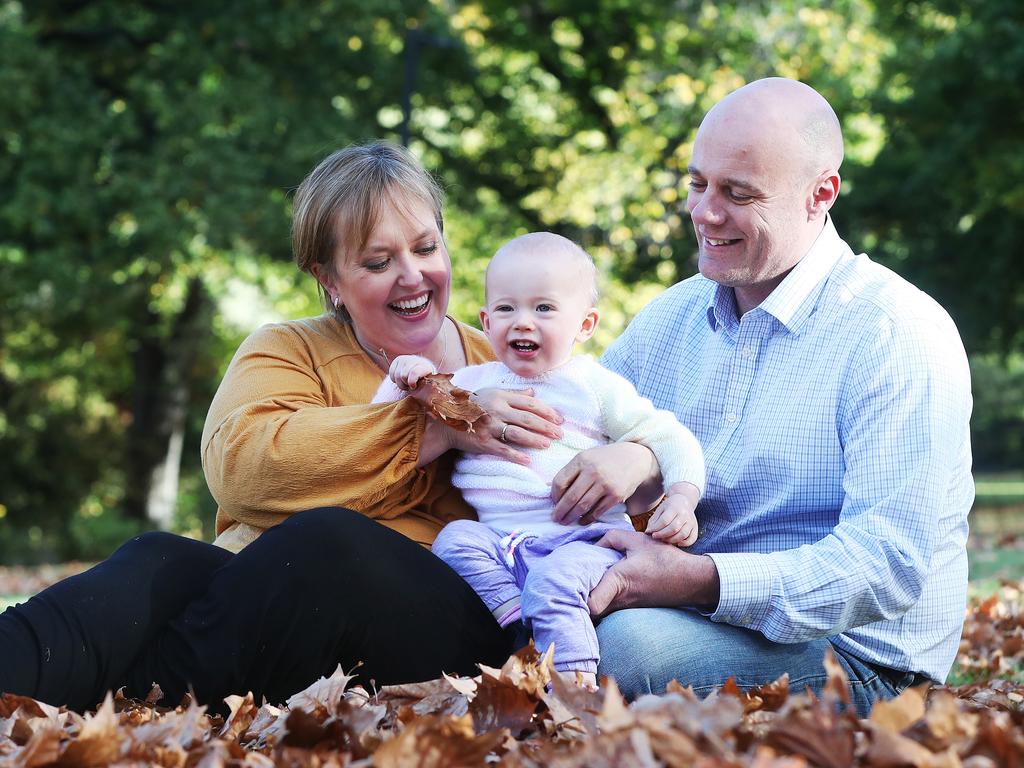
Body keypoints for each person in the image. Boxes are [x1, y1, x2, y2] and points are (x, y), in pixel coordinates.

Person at [0, 142, 660, 713]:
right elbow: (244, 465)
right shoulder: (287, 349)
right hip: (281, 606)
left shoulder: (513, 361)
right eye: (377, 263)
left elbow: (630, 429)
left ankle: (130, 701)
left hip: (485, 617)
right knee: (159, 557)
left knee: (329, 543)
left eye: (427, 248)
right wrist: (437, 427)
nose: (414, 276)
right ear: (330, 279)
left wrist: (638, 460)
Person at [585, 77, 974, 717]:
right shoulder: (672, 318)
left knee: (630, 650)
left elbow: (887, 564)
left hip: (857, 659)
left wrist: (695, 582)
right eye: (697, 184)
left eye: (738, 194)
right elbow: (581, 426)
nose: (706, 213)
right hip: (691, 611)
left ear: (821, 193)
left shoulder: (896, 331)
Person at [373, 232, 705, 686]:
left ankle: (574, 695)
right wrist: (404, 378)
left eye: (544, 308)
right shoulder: (474, 383)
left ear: (585, 325)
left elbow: (669, 437)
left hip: (585, 541)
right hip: (504, 544)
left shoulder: (593, 384)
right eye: (507, 309)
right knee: (454, 540)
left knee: (553, 585)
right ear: (487, 322)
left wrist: (683, 497)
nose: (523, 322)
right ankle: (517, 629)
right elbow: (387, 422)